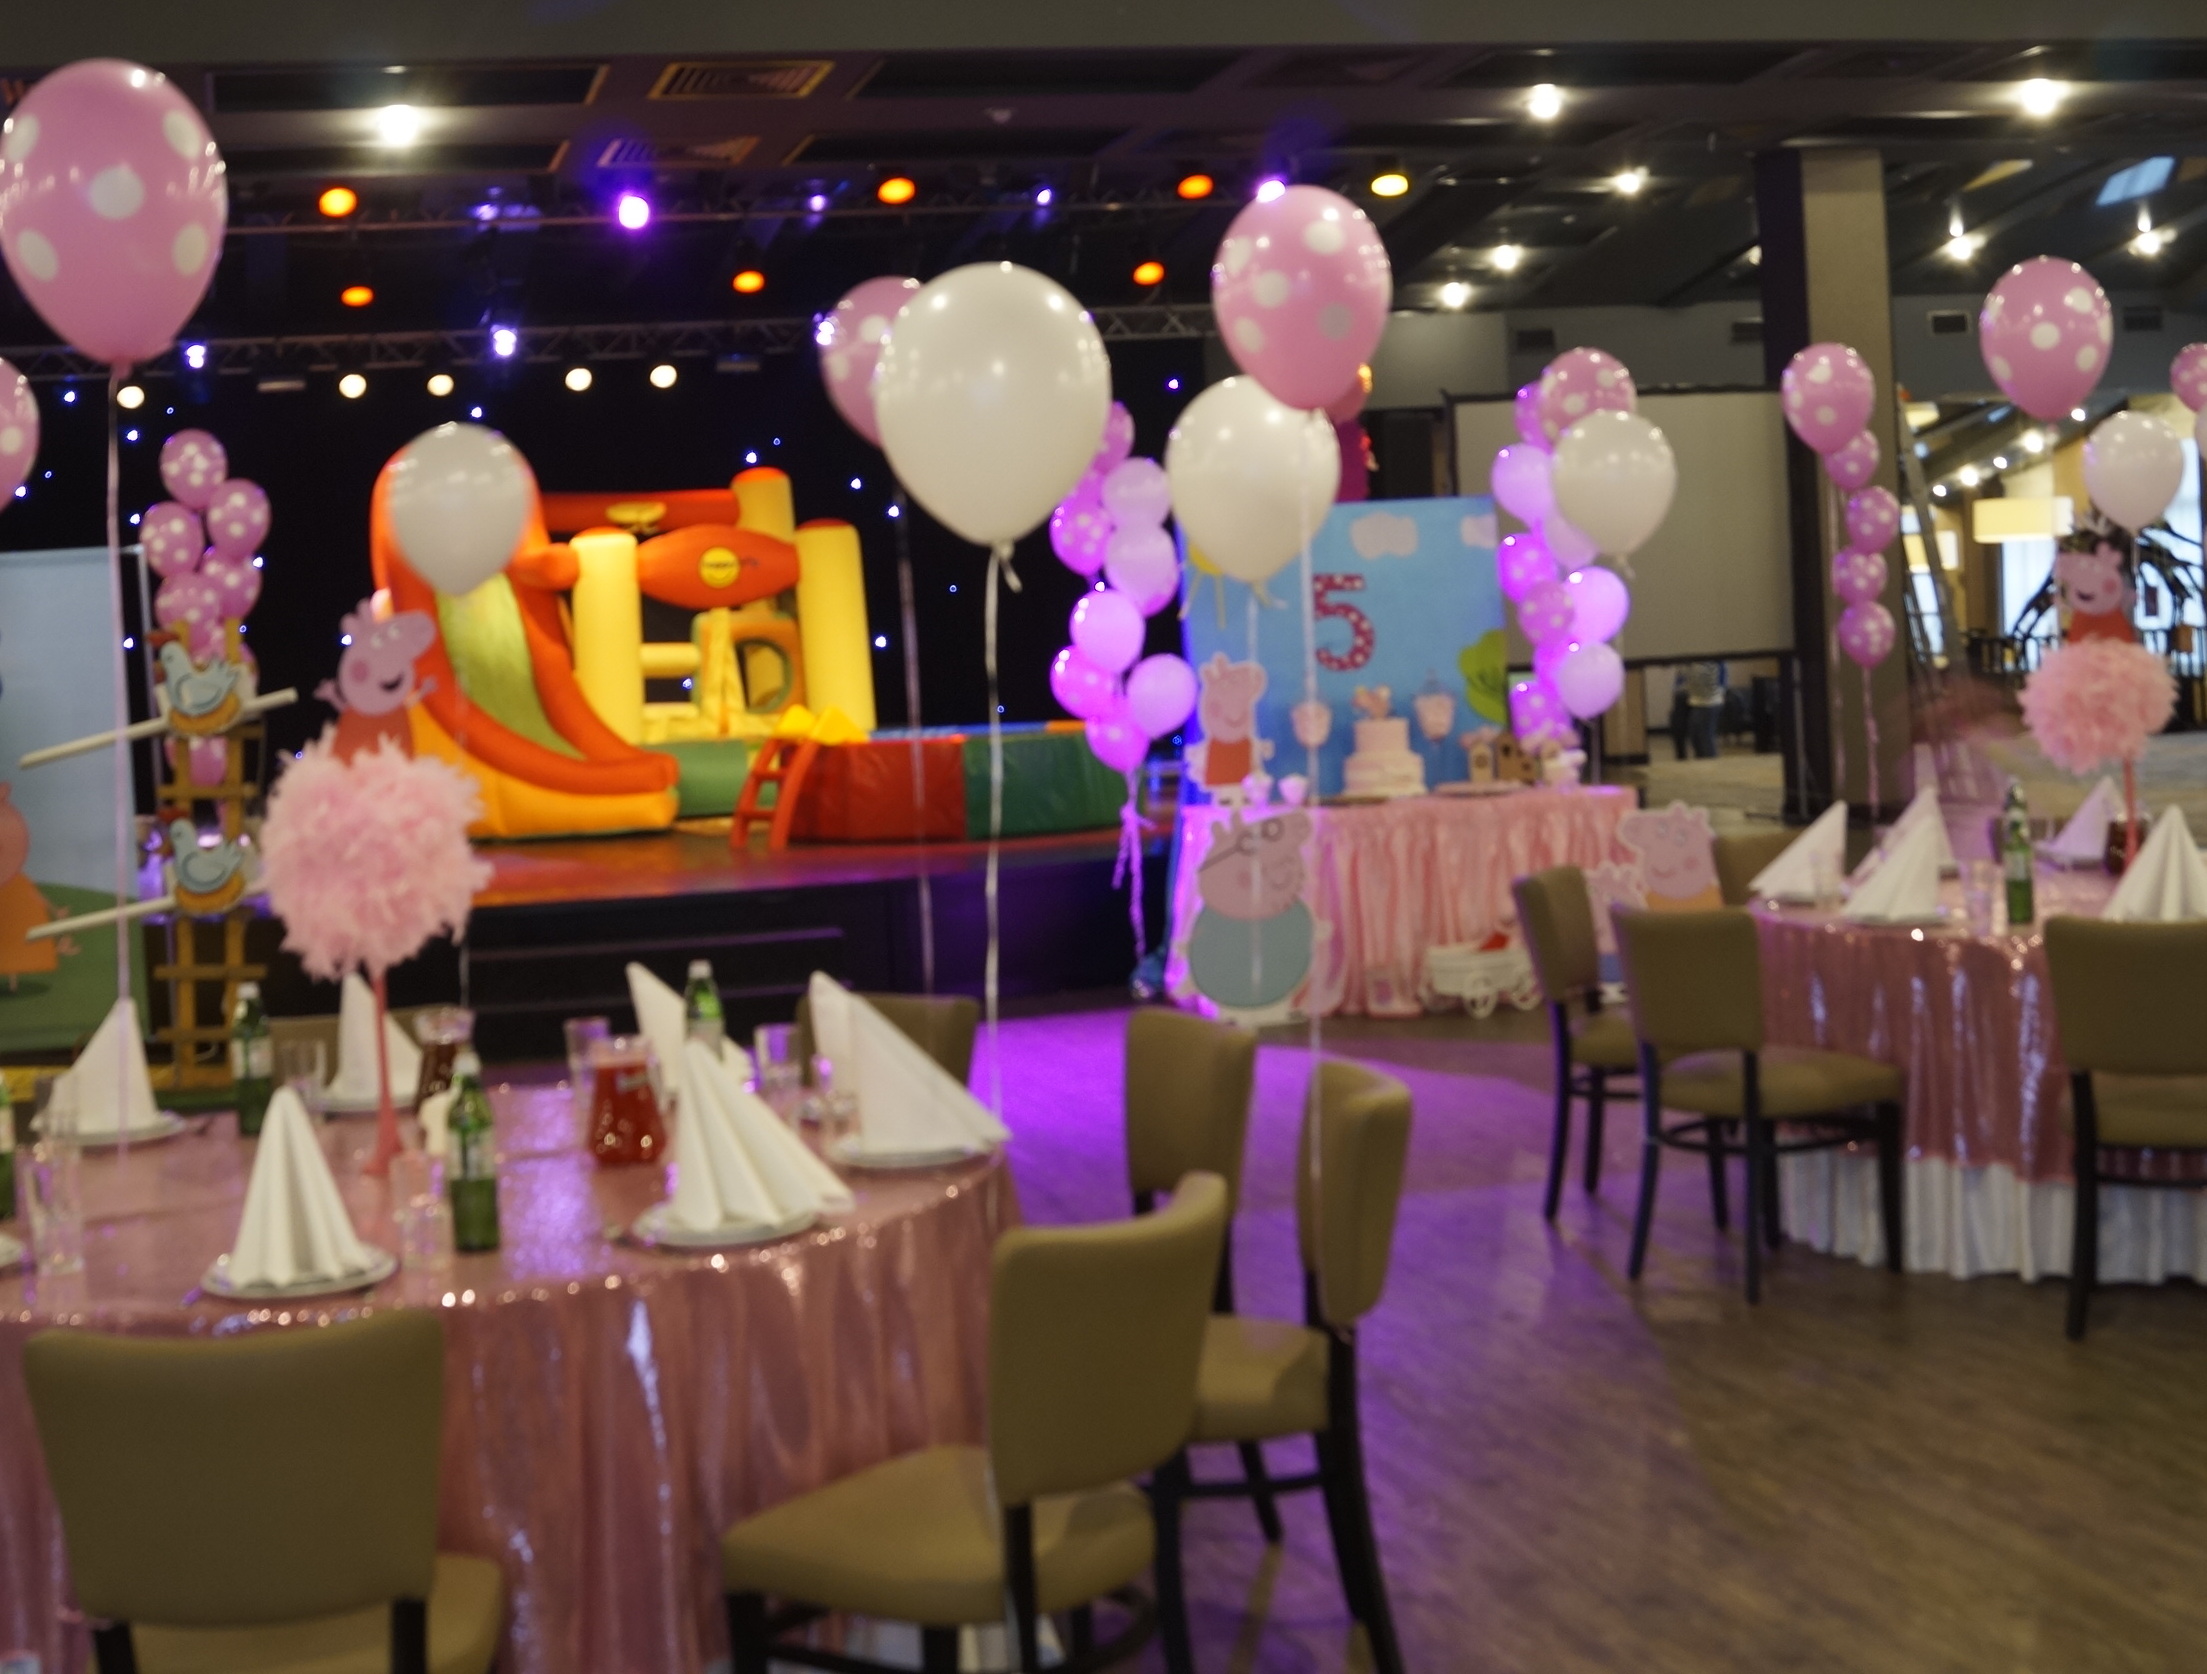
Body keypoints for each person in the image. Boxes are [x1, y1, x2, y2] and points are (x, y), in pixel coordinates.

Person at [1684, 660, 1726, 759]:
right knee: (1696, 739)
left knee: (1705, 740)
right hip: (1696, 702)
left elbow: (1719, 681)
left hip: (1709, 702)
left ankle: (1711, 766)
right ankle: (1702, 764)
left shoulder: (1713, 663)